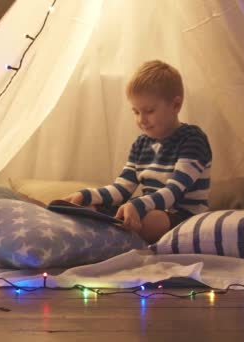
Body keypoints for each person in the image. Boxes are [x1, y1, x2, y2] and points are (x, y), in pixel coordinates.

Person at [63, 60, 212, 244]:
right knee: (91, 208)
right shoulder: (141, 144)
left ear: (175, 105)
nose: (142, 120)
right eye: (135, 111)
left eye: (149, 111)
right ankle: (112, 231)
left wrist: (137, 205)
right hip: (148, 208)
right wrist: (86, 195)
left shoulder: (193, 139)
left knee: (152, 220)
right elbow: (122, 188)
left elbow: (174, 192)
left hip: (183, 215)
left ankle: (112, 236)